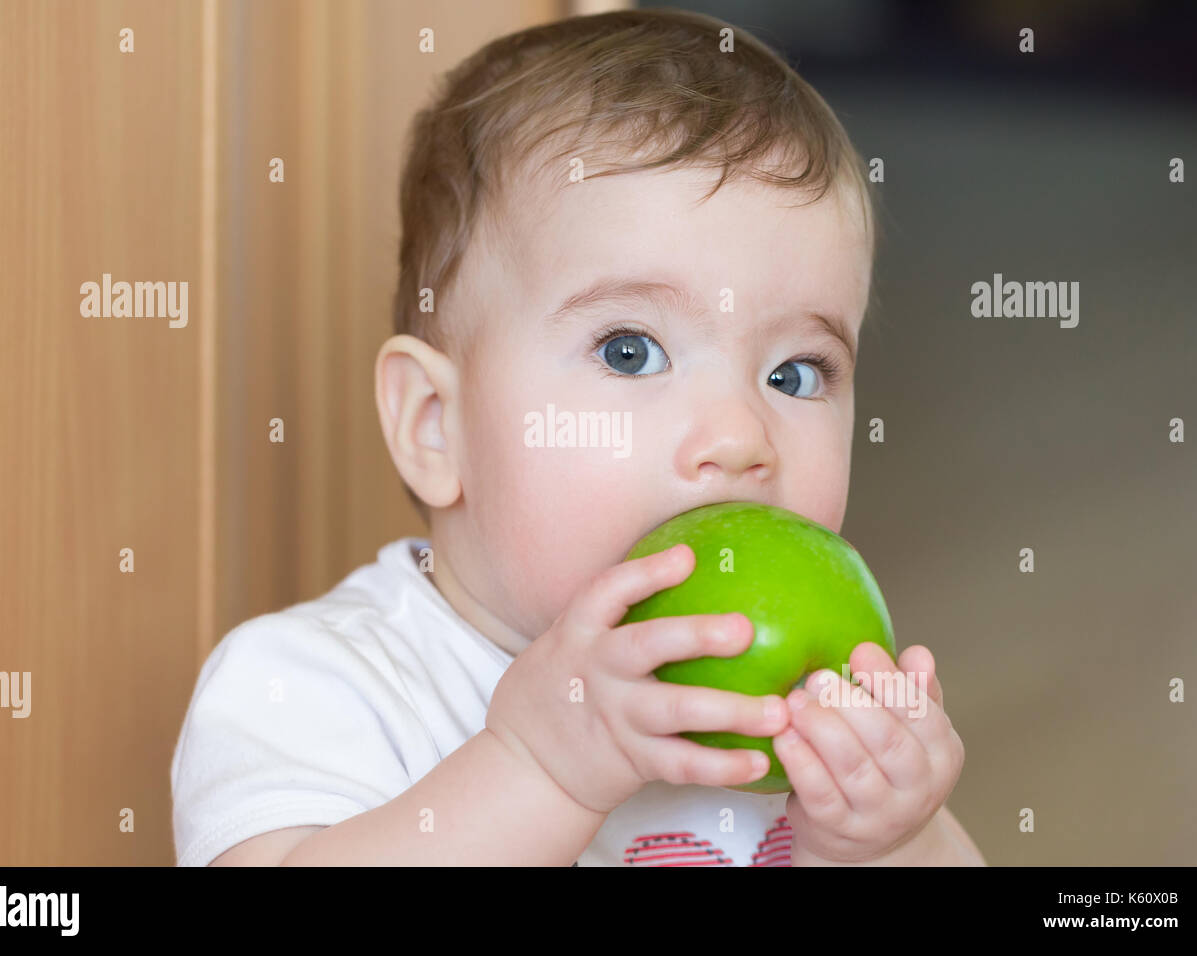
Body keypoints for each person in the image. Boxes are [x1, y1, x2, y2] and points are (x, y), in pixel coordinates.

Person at [171, 7, 985, 867]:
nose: (741, 436)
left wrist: (888, 838)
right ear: (435, 426)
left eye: (796, 374)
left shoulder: (794, 713)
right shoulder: (315, 687)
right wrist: (541, 771)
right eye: (630, 352)